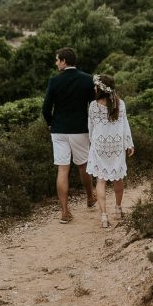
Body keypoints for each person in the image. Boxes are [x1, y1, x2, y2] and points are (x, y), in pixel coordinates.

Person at [42, 47, 96, 224]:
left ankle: (65, 212)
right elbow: (93, 106)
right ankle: (90, 197)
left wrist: (51, 123)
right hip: (80, 128)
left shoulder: (54, 81)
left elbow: (45, 108)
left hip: (58, 130)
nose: (56, 63)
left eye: (57, 60)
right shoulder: (88, 80)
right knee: (83, 165)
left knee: (62, 169)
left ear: (64, 61)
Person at [87, 74, 134, 228]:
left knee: (100, 180)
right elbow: (125, 125)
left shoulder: (93, 106)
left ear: (101, 88)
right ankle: (118, 209)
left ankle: (104, 217)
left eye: (95, 86)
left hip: (100, 145)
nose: (94, 88)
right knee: (118, 178)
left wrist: (92, 142)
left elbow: (91, 128)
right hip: (116, 145)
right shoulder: (120, 104)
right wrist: (129, 144)